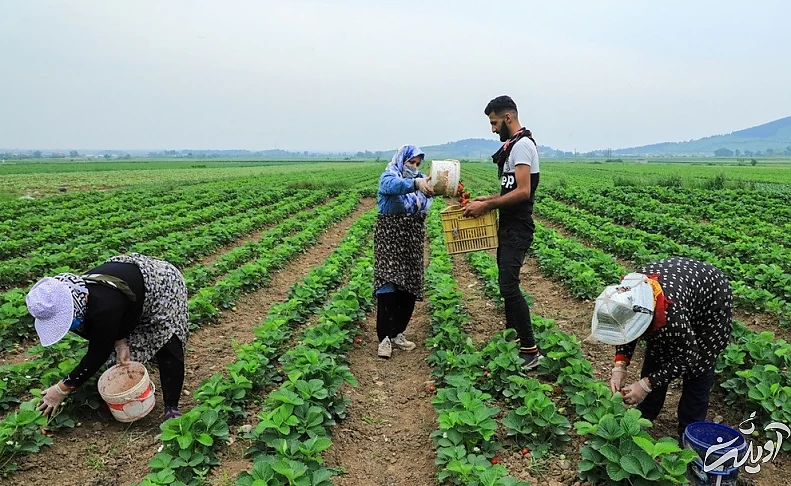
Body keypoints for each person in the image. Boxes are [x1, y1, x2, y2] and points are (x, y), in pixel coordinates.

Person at [25, 252, 190, 421]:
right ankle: (120, 399)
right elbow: (104, 330)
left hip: (162, 285)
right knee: (116, 357)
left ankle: (171, 407)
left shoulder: (103, 305)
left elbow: (98, 353)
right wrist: (120, 342)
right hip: (128, 298)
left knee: (168, 343)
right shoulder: (75, 295)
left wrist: (61, 389)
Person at [588, 257, 733, 440]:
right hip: (681, 287)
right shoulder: (627, 296)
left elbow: (690, 356)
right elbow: (627, 328)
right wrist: (620, 365)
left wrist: (645, 385)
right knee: (657, 353)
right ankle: (645, 415)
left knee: (699, 368)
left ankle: (689, 431)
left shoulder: (672, 314)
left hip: (711, 298)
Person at [463, 95, 542, 369]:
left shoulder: (521, 147)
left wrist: (487, 207)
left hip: (518, 226)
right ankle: (512, 338)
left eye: (495, 122)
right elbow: (508, 190)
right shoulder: (513, 147)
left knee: (509, 286)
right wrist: (486, 200)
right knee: (505, 285)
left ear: (508, 118)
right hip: (508, 224)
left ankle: (530, 350)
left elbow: (523, 192)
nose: (493, 129)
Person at [374, 144, 434, 359]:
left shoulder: (422, 180)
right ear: (402, 160)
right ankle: (384, 339)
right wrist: (415, 183)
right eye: (411, 162)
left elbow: (434, 190)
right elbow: (393, 186)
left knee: (409, 286)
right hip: (389, 240)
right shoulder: (389, 177)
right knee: (387, 285)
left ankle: (398, 333)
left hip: (412, 239)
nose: (414, 167)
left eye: (418, 164)